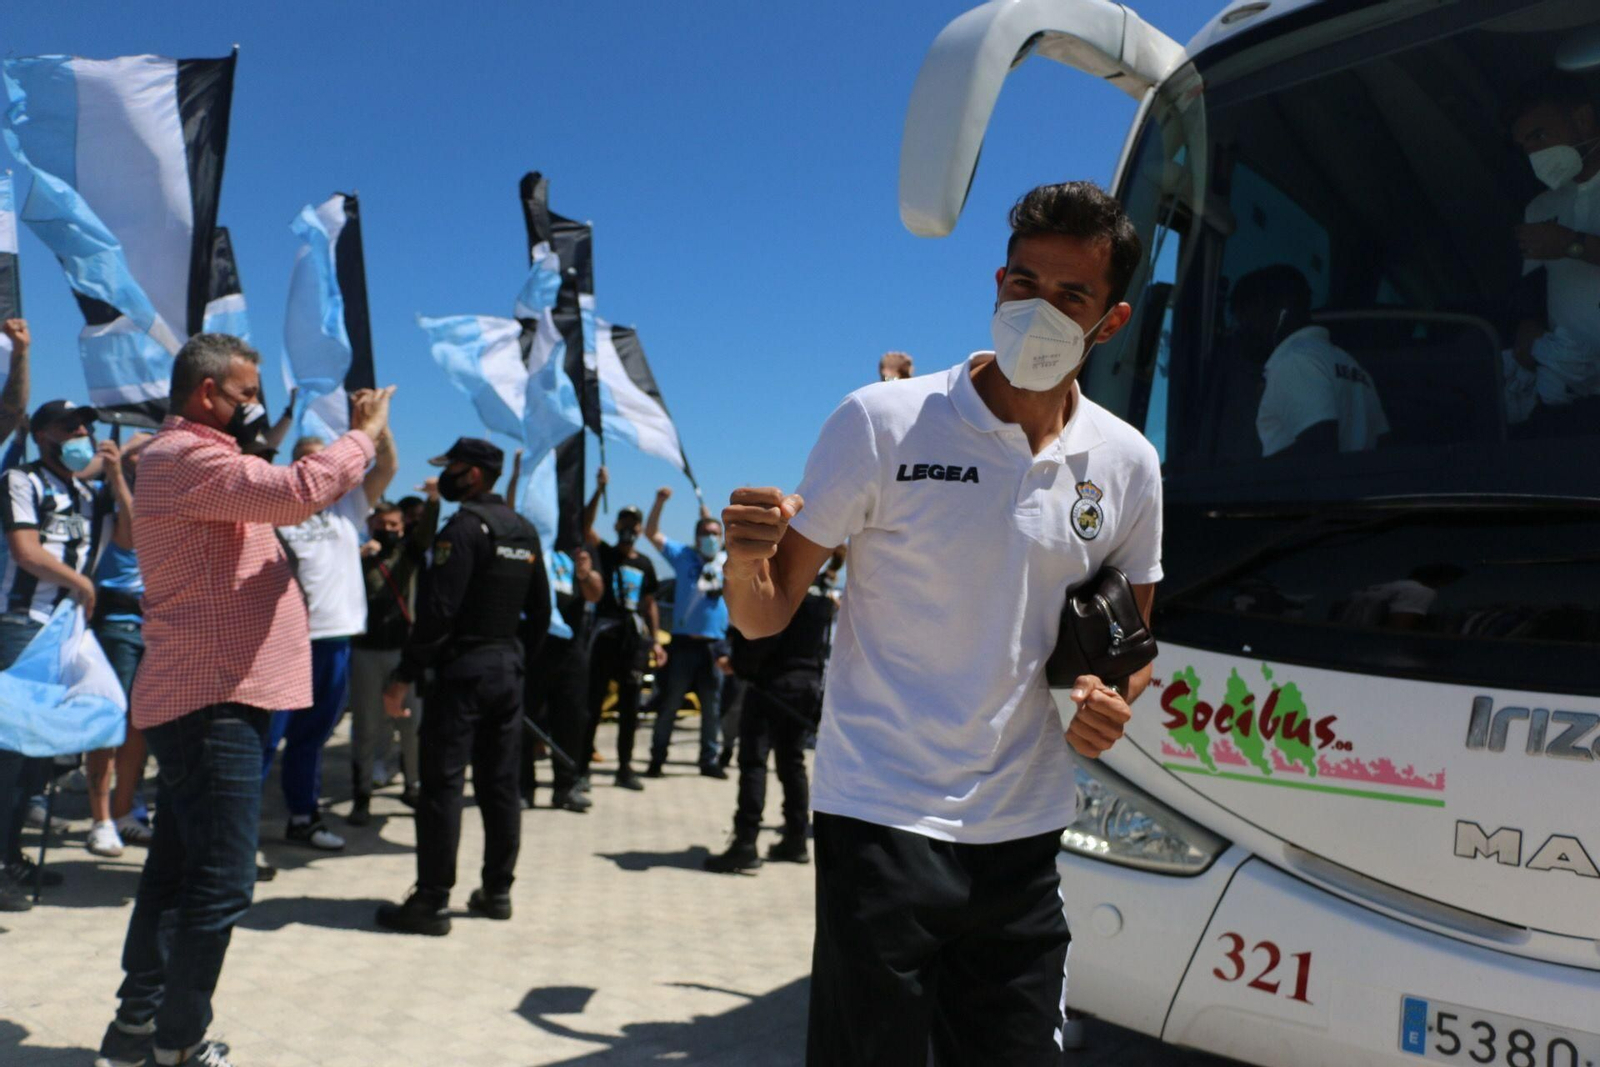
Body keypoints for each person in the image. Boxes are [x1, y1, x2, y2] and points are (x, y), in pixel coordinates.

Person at [723, 182, 1164, 1065]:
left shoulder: (1127, 462)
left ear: (1109, 322)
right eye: (1021, 284)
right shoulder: (881, 422)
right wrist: (743, 555)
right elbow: (767, 612)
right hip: (880, 819)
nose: (1036, 310)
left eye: (1069, 296)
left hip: (1025, 831)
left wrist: (1113, 702)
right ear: (997, 281)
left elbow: (1134, 647)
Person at [94, 333, 390, 1067]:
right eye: (246, 394)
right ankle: (179, 1041)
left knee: (174, 874)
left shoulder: (206, 461)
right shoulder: (187, 457)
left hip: (211, 696)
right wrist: (363, 435)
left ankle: (135, 1034)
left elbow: (276, 496)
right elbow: (297, 494)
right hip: (213, 700)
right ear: (206, 394)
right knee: (224, 882)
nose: (253, 407)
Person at [375, 437, 549, 936]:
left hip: (464, 674)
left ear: (472, 473)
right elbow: (540, 613)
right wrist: (516, 662)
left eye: (449, 466)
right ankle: (497, 891)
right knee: (499, 787)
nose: (445, 475)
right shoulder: (523, 529)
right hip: (506, 672)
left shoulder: (465, 529)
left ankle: (430, 901)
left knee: (442, 786)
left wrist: (404, 674)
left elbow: (439, 613)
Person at [261, 429, 397, 851]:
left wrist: (379, 425)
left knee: (311, 738)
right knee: (264, 743)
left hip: (335, 638)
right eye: (305, 459)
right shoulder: (273, 508)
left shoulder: (347, 505)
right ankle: (239, 838)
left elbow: (387, 466)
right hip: (284, 642)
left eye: (323, 459)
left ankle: (303, 817)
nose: (316, 467)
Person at [0, 397, 100, 909]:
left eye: (86, 424)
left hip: (66, 633)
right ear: (42, 435)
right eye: (69, 425)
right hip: (23, 625)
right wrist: (80, 581)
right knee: (11, 754)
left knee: (38, 755)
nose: (82, 431)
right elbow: (26, 551)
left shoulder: (85, 491)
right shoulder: (23, 480)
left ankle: (10, 851)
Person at [703, 562, 836, 874]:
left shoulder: (787, 583)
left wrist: (738, 664)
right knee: (792, 762)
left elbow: (761, 633)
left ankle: (745, 844)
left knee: (753, 761)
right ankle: (795, 838)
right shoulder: (822, 592)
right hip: (805, 685)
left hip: (770, 685)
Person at [506, 449, 604, 813]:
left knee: (572, 717)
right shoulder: (530, 545)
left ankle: (566, 785)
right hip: (532, 645)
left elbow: (595, 592)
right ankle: (522, 786)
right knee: (524, 717)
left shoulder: (576, 552)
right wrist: (518, 475)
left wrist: (586, 574)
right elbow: (514, 509)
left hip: (571, 650)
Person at [1506, 72, 1600, 427]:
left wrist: (1569, 244)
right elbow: (1533, 291)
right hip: (1573, 396)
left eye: (1539, 136)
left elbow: (1564, 247)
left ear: (1583, 119)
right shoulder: (1540, 208)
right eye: (1525, 147)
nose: (1534, 154)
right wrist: (1528, 329)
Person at [347, 488, 438, 825]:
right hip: (365, 652)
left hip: (401, 653)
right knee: (366, 726)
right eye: (383, 524)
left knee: (411, 725)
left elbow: (426, 533)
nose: (389, 530)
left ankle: (413, 785)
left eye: (395, 525)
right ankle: (362, 794)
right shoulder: (357, 558)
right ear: (371, 525)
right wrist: (357, 556)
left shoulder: (407, 556)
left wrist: (433, 501)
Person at [84, 433, 157, 859]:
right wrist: (113, 466)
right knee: (108, 725)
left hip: (153, 628)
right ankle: (100, 820)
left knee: (138, 729)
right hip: (118, 625)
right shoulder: (108, 497)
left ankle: (124, 810)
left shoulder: (162, 496)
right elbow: (129, 533)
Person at [1230, 263, 1388, 457]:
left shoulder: (1294, 361)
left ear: (1282, 310)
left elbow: (1319, 447)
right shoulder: (1348, 362)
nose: (1245, 329)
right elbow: (1380, 440)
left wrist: (1248, 474)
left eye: (1249, 316)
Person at [580, 467, 666, 792]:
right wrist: (599, 490)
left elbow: (650, 603)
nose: (629, 528)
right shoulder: (604, 553)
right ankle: (582, 766)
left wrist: (655, 641)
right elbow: (585, 526)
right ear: (616, 525)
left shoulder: (644, 564)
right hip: (606, 636)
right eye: (624, 523)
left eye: (634, 524)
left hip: (633, 641)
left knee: (631, 708)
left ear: (641, 529)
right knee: (594, 704)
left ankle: (625, 767)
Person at [643, 485, 730, 778]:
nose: (710, 538)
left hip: (714, 646)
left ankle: (709, 760)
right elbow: (652, 532)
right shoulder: (683, 556)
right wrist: (659, 502)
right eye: (705, 533)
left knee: (711, 707)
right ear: (696, 537)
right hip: (682, 644)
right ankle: (657, 757)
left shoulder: (727, 561)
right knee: (669, 703)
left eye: (715, 534)